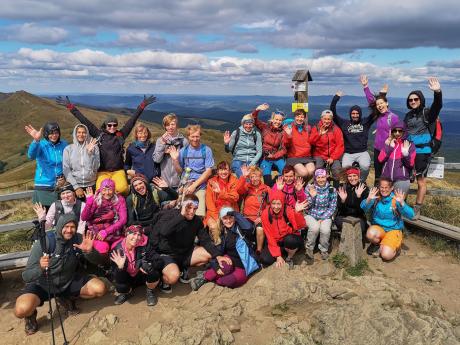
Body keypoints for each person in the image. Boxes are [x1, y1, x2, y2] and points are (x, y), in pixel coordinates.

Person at [14, 214, 106, 335]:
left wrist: (89, 252)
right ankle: (30, 317)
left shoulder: (78, 239)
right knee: (21, 310)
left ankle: (66, 298)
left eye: (72, 227)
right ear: (59, 226)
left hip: (67, 281)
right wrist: (40, 267)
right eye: (66, 226)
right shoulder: (45, 241)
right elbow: (26, 276)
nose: (69, 230)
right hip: (42, 285)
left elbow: (100, 261)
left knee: (100, 288)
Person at [56, 95, 156, 195]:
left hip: (118, 171)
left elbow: (132, 120)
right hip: (102, 172)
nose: (112, 127)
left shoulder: (120, 135)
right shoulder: (99, 134)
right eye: (109, 125)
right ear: (105, 125)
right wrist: (70, 107)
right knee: (100, 191)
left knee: (123, 189)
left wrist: (142, 106)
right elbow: (84, 120)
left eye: (114, 125)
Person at [149, 194, 214, 293]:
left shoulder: (197, 221)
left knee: (208, 254)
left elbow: (205, 240)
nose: (192, 211)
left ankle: (182, 267)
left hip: (184, 253)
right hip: (167, 254)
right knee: (173, 277)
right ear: (183, 206)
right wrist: (181, 215)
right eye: (189, 207)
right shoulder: (169, 214)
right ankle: (164, 280)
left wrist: (218, 255)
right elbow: (164, 231)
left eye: (195, 208)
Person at [190, 207, 258, 291]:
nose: (228, 221)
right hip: (229, 260)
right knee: (223, 267)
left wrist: (235, 213)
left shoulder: (241, 228)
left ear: (234, 217)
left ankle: (210, 276)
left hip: (243, 265)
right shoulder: (222, 232)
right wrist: (215, 266)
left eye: (230, 217)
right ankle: (204, 277)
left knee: (228, 281)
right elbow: (216, 252)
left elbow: (249, 228)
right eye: (225, 218)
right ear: (221, 219)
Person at [404, 77, 443, 219]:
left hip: (422, 151)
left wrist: (437, 92)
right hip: (408, 151)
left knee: (420, 180)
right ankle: (403, 206)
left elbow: (437, 106)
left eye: (415, 99)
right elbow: (403, 131)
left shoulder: (427, 113)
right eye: (410, 100)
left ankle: (417, 209)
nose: (413, 101)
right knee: (406, 179)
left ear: (420, 100)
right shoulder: (408, 115)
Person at [361, 178, 415, 261]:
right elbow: (363, 208)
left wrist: (402, 203)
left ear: (391, 188)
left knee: (385, 255)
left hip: (393, 230)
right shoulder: (376, 198)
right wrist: (368, 199)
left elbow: (411, 215)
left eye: (386, 187)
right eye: (382, 187)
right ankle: (378, 244)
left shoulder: (395, 199)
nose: (384, 190)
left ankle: (396, 247)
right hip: (379, 229)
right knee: (370, 234)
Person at [110, 225, 162, 306]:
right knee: (120, 286)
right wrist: (120, 267)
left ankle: (150, 291)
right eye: (133, 233)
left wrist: (149, 264)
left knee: (154, 273)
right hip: (128, 278)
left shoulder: (145, 246)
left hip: (141, 275)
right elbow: (117, 278)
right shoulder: (116, 251)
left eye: (139, 235)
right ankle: (127, 293)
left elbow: (158, 260)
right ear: (127, 234)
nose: (136, 237)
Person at [360, 75, 399, 183]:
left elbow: (399, 133)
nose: (379, 105)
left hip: (389, 150)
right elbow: (372, 101)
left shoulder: (393, 117)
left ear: (387, 103)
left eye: (382, 103)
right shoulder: (380, 115)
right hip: (378, 149)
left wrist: (391, 138)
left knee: (388, 174)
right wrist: (365, 86)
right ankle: (377, 197)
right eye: (378, 104)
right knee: (378, 175)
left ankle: (389, 197)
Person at [330, 91, 375, 182]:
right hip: (348, 153)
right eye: (353, 114)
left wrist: (367, 89)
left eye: (357, 113)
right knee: (345, 169)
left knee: (365, 166)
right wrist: (336, 98)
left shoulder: (365, 122)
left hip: (362, 152)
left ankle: (361, 182)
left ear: (360, 114)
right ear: (350, 114)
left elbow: (375, 111)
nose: (355, 115)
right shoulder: (344, 123)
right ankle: (349, 185)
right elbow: (333, 112)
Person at [170, 124, 214, 216]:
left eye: (197, 136)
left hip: (201, 186)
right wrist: (175, 160)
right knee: (183, 213)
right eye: (192, 136)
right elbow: (180, 171)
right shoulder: (183, 151)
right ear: (188, 136)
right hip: (185, 184)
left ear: (200, 136)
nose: (195, 139)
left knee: (199, 213)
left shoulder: (206, 150)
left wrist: (194, 186)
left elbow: (208, 171)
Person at [25, 122, 68, 209]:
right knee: (45, 217)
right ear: (46, 134)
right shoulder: (41, 144)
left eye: (56, 133)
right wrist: (36, 140)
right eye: (51, 133)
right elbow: (31, 156)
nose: (54, 135)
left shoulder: (64, 144)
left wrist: (65, 178)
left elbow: (68, 162)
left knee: (60, 216)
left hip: (60, 186)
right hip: (44, 185)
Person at [260, 190, 307, 268]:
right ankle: (283, 252)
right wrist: (278, 256)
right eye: (273, 203)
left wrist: (297, 213)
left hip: (289, 238)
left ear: (282, 202)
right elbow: (269, 236)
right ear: (270, 203)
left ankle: (289, 257)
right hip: (276, 241)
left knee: (291, 240)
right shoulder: (265, 214)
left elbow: (300, 226)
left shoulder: (287, 210)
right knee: (264, 259)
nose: (276, 207)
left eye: (278, 203)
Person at [81, 179, 127, 255]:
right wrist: (89, 201)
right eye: (104, 190)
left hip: (115, 232)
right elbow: (84, 218)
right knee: (102, 249)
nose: (107, 193)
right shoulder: (95, 198)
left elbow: (123, 220)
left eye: (110, 190)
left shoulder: (119, 199)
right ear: (101, 189)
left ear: (114, 189)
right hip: (97, 232)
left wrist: (106, 231)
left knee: (121, 248)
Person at [302, 168, 337, 263]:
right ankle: (309, 249)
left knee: (325, 230)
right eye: (318, 177)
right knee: (314, 228)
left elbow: (332, 207)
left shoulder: (331, 190)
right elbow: (306, 206)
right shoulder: (309, 188)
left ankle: (323, 249)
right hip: (310, 214)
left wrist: (322, 218)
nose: (321, 179)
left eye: (323, 177)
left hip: (325, 215)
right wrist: (312, 197)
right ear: (315, 178)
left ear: (326, 177)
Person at [237, 165, 270, 253]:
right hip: (247, 217)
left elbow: (269, 205)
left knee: (260, 229)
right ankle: (249, 246)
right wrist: (244, 176)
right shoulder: (247, 187)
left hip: (259, 217)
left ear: (260, 177)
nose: (254, 179)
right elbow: (239, 190)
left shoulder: (266, 189)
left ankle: (258, 250)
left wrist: (262, 217)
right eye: (252, 177)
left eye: (257, 176)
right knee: (245, 228)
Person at [252, 103, 287, 187]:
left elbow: (284, 149)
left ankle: (275, 186)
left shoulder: (282, 132)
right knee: (267, 181)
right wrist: (257, 110)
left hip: (277, 157)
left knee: (286, 174)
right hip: (265, 158)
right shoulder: (265, 127)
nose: (278, 122)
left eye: (280, 120)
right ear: (272, 119)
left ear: (282, 121)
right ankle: (270, 192)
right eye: (276, 119)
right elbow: (254, 120)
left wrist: (274, 156)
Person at [204, 161, 240, 243]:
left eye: (225, 169)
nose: (223, 172)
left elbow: (235, 197)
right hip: (214, 213)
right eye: (221, 169)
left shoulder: (234, 181)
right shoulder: (211, 182)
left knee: (229, 228)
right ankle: (217, 247)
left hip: (230, 212)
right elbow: (209, 202)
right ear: (217, 171)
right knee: (214, 226)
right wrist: (218, 218)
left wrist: (220, 193)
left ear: (230, 171)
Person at [63, 124, 100, 200]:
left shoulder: (94, 147)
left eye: (84, 132)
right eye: (79, 132)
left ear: (87, 134)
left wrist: (90, 154)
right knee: (77, 210)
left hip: (91, 185)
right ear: (75, 134)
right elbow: (66, 170)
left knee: (91, 210)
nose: (81, 134)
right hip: (75, 186)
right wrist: (76, 187)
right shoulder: (68, 149)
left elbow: (96, 167)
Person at [378, 121, 416, 195]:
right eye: (395, 130)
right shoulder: (388, 142)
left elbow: (410, 164)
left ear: (404, 131)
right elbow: (380, 159)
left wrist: (405, 153)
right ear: (391, 131)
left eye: (400, 131)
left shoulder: (409, 145)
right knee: (386, 203)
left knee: (399, 203)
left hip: (402, 179)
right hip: (386, 179)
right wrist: (389, 147)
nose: (397, 133)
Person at [152, 113, 188, 190]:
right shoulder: (160, 140)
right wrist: (162, 144)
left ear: (177, 125)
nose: (170, 127)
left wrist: (177, 155)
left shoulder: (184, 141)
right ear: (165, 126)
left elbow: (187, 164)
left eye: (172, 124)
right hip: (163, 182)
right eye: (167, 125)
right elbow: (156, 160)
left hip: (179, 184)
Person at [335, 165, 369, 242]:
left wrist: (358, 197)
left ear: (358, 176)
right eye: (350, 176)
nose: (352, 178)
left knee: (358, 227)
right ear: (347, 177)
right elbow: (340, 209)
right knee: (347, 225)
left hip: (359, 217)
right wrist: (343, 200)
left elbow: (362, 210)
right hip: (343, 216)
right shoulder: (342, 187)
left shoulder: (364, 188)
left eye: (355, 175)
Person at [309, 110, 344, 184]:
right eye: (325, 119)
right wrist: (319, 134)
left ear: (331, 120)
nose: (327, 121)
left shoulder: (336, 129)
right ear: (321, 119)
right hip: (319, 155)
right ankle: (318, 189)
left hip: (333, 155)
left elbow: (340, 146)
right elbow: (311, 141)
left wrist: (333, 157)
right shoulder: (316, 128)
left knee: (337, 170)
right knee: (319, 170)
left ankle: (336, 189)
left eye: (329, 119)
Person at [223, 113, 262, 177]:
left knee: (252, 175)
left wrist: (252, 164)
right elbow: (229, 149)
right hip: (238, 160)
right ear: (243, 124)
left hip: (252, 160)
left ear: (253, 124)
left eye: (250, 124)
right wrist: (226, 143)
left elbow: (259, 152)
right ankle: (246, 186)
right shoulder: (236, 133)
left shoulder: (256, 134)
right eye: (246, 124)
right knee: (243, 175)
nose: (248, 126)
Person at [283, 109, 315, 179]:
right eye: (298, 116)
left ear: (304, 118)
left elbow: (312, 141)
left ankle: (303, 187)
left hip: (306, 156)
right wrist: (288, 135)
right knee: (304, 173)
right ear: (294, 117)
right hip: (293, 156)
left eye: (302, 117)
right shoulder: (289, 128)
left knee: (312, 171)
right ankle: (295, 181)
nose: (299, 119)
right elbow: (285, 145)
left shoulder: (308, 128)